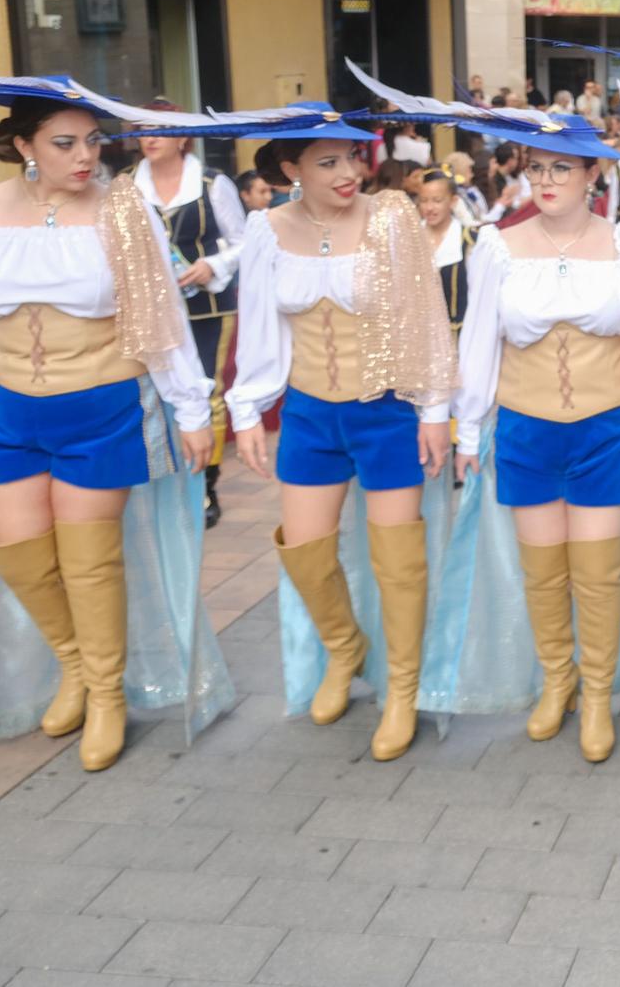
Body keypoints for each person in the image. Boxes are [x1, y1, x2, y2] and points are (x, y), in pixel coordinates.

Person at [0, 93, 221, 770]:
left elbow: (162, 314)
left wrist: (190, 407)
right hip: (4, 407)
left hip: (99, 403)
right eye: (65, 143)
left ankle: (107, 694)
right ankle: (76, 666)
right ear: (24, 145)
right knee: (19, 553)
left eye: (93, 141)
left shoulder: (123, 211)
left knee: (90, 563)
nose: (86, 156)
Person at [451, 115, 620, 761]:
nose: (546, 180)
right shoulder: (497, 246)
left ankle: (597, 694)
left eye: (562, 167)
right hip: (526, 426)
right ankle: (557, 681)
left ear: (593, 173)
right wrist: (467, 430)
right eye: (536, 167)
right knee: (543, 570)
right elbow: (478, 344)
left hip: (604, 429)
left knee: (599, 572)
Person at [229, 124, 457, 762]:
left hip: (386, 410)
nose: (346, 172)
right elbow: (258, 323)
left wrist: (434, 410)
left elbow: (425, 315)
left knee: (398, 560)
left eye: (351, 157)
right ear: (290, 168)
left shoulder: (392, 219)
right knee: (304, 549)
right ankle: (343, 648)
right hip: (308, 412)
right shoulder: (267, 231)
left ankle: (402, 690)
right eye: (327, 162)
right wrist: (247, 409)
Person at [132, 114, 247, 529]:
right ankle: (165, 482)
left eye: (158, 129)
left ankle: (206, 486)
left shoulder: (212, 183)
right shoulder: (125, 185)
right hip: (150, 306)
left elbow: (242, 242)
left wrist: (211, 264)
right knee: (155, 391)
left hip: (206, 303)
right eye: (142, 130)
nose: (148, 138)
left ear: (181, 137)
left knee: (207, 389)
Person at [415, 170, 477, 334]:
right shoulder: (409, 239)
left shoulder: (468, 241)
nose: (429, 208)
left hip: (459, 337)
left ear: (453, 201)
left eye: (437, 201)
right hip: (419, 337)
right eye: (423, 201)